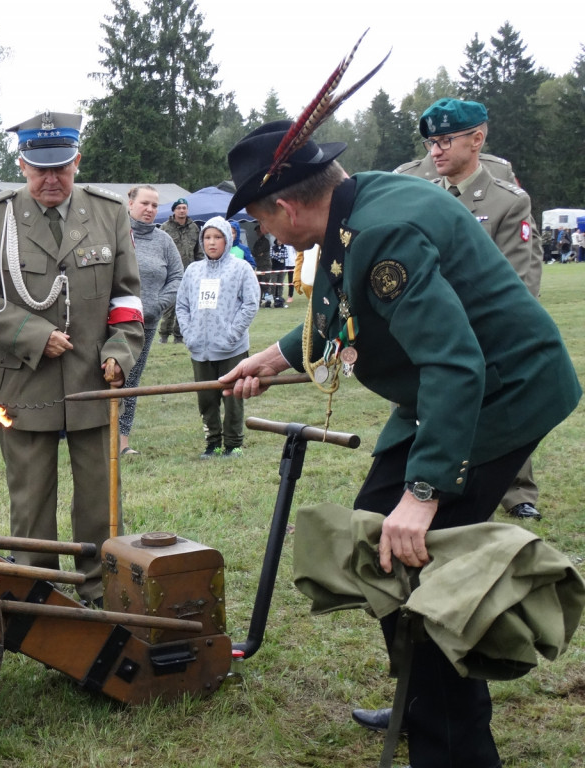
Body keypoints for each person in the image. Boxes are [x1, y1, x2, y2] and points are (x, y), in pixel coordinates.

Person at [219, 120, 580, 768]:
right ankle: (421, 698)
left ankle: (454, 745)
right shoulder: (354, 209)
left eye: (260, 220)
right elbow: (344, 314)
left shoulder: (383, 233)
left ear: (288, 205)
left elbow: (453, 363)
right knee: (378, 539)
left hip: (503, 390)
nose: (264, 234)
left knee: (416, 562)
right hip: (451, 389)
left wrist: (424, 492)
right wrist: (274, 358)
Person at [0, 110, 144, 604]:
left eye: (61, 167)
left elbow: (126, 296)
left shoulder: (109, 212)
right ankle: (38, 597)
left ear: (77, 161)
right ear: (21, 165)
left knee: (101, 504)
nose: (50, 178)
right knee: (32, 501)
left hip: (92, 377)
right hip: (24, 381)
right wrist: (32, 334)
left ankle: (102, 592)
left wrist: (120, 351)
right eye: (39, 168)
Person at [418, 98, 544, 521]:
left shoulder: (508, 202)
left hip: (489, 334)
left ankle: (515, 490)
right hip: (439, 336)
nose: (435, 150)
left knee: (502, 418)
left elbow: (516, 282)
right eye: (431, 142)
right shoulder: (424, 197)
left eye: (445, 140)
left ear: (477, 139)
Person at [176, 216, 259, 458]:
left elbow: (250, 304)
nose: (212, 243)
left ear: (228, 238)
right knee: (206, 399)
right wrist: (189, 334)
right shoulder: (193, 270)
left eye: (218, 237)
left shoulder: (240, 268)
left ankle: (233, 443)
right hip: (199, 349)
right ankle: (213, 442)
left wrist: (232, 335)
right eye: (207, 237)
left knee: (232, 397)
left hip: (231, 349)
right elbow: (181, 305)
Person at [119, 184, 182, 456]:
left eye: (155, 205)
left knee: (131, 380)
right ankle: (94, 437)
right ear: (130, 203)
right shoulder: (116, 234)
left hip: (146, 323)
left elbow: (177, 277)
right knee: (106, 377)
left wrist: (157, 305)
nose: (150, 209)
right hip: (111, 321)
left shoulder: (164, 241)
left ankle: (122, 442)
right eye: (145, 203)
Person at [158, 197, 202, 343]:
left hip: (190, 272)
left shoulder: (194, 228)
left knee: (186, 305)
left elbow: (199, 251)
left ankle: (179, 335)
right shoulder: (165, 228)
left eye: (184, 208)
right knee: (170, 305)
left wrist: (201, 268)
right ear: (174, 210)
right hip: (170, 273)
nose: (182, 210)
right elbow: (159, 251)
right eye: (179, 208)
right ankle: (164, 334)